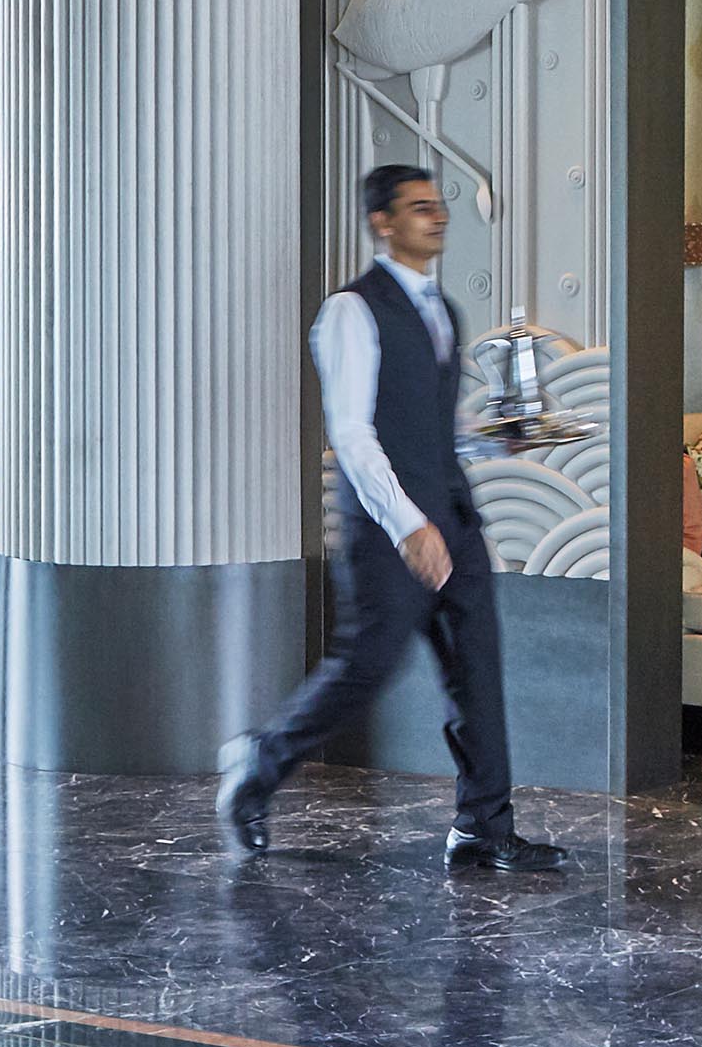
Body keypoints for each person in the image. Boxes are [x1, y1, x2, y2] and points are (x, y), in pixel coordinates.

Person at [216, 163, 564, 875]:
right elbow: (352, 433)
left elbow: (423, 423)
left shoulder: (442, 308)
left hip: (454, 517)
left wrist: (495, 435)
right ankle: (258, 763)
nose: (436, 218)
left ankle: (482, 828)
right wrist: (408, 525)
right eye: (418, 208)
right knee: (366, 668)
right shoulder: (350, 310)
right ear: (382, 222)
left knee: (478, 672)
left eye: (438, 206)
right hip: (388, 527)